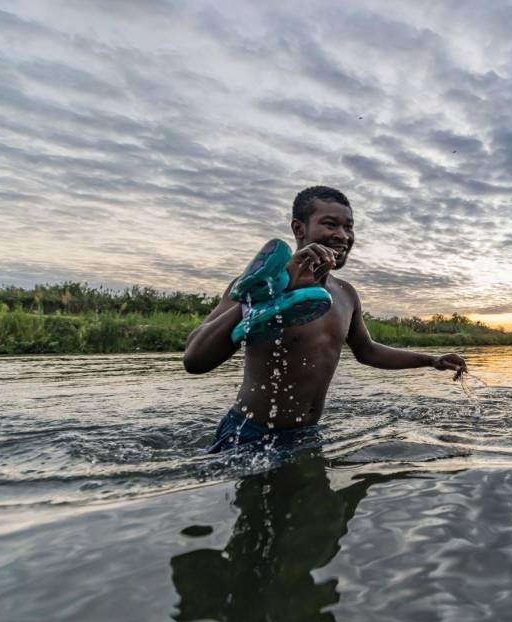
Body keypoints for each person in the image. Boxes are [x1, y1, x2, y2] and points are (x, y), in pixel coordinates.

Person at [183, 186, 467, 451]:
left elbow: (367, 351)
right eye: (331, 224)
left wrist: (430, 360)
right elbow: (194, 360)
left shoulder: (345, 294)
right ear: (299, 228)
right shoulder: (257, 285)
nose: (343, 236)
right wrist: (274, 293)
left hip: (308, 435)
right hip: (249, 436)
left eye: (349, 227)